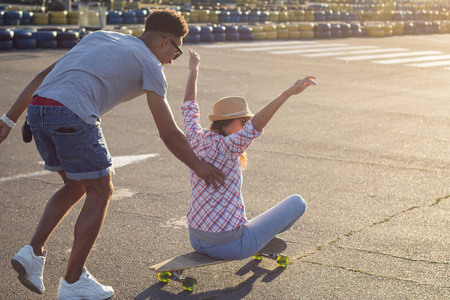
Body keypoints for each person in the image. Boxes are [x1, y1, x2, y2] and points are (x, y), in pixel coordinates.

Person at [0, 10, 225, 299]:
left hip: (40, 112)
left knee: (76, 185)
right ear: (165, 41)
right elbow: (169, 133)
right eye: (176, 53)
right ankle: (73, 281)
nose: (171, 61)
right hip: (73, 114)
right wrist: (200, 167)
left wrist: (8, 120)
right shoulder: (151, 65)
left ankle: (33, 253)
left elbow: (45, 75)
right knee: (101, 191)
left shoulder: (100, 36)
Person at [181, 50, 316, 260]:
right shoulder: (228, 146)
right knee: (298, 203)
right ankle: (257, 241)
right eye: (241, 122)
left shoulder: (195, 137)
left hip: (197, 238)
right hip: (229, 245)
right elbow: (256, 125)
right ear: (223, 124)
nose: (245, 126)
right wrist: (286, 93)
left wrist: (193, 69)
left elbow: (189, 105)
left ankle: (257, 238)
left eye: (245, 121)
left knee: (241, 217)